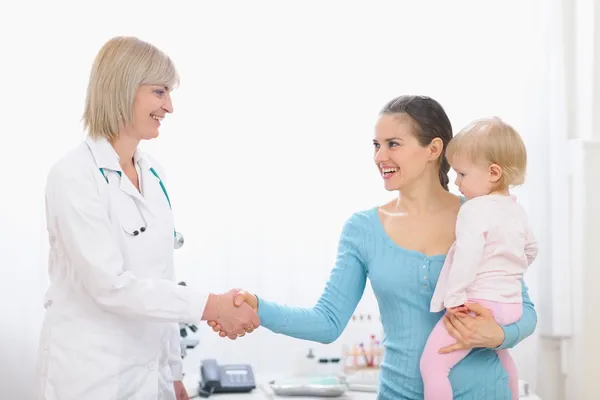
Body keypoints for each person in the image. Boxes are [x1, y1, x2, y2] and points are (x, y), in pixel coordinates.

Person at [208, 95, 538, 399]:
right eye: (376, 145)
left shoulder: (482, 214)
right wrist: (257, 307)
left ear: (434, 149)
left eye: (393, 144)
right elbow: (327, 322)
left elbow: (524, 309)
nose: (380, 157)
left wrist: (496, 336)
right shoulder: (363, 229)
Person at [35, 36, 259, 400]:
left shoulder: (153, 174)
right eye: (159, 92)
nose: (169, 106)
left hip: (150, 376)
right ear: (123, 89)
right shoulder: (73, 175)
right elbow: (110, 286)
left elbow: (160, 278)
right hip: (92, 377)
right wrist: (213, 305)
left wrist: (173, 372)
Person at [419, 117, 538, 400]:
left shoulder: (474, 210)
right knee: (503, 357)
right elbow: (531, 249)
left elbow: (467, 256)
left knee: (432, 366)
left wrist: (454, 298)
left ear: (493, 172)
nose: (456, 182)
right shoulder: (516, 210)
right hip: (510, 306)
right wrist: (509, 272)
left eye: (461, 174)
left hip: (478, 304)